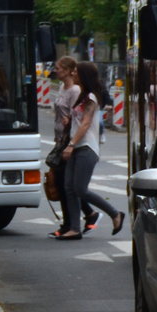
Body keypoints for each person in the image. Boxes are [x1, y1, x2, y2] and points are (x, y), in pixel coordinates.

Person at [52, 63, 109, 240]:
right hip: (76, 146)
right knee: (69, 188)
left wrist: (71, 144)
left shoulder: (91, 97)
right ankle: (74, 229)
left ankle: (114, 214)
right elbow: (78, 119)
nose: (73, 73)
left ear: (83, 75)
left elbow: (85, 124)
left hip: (86, 147)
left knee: (80, 189)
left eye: (76, 72)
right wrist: (70, 120)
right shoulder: (83, 95)